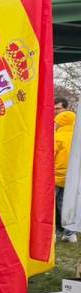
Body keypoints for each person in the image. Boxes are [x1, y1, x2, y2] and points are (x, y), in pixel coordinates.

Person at [55, 97, 77, 243]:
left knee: (49, 205)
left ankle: (52, 233)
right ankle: (70, 233)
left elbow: (48, 155)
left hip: (56, 175)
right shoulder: (76, 136)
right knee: (67, 204)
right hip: (72, 176)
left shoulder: (57, 136)